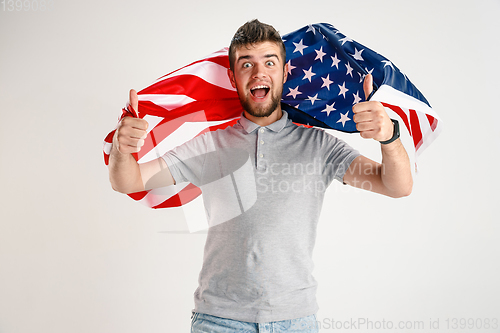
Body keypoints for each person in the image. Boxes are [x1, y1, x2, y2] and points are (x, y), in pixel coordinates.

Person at [108, 20, 412, 333]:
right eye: (246, 64)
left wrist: (390, 137)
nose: (258, 73)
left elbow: (397, 186)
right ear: (232, 76)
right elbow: (128, 181)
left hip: (296, 321)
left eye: (269, 62)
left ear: (284, 71)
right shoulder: (210, 144)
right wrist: (121, 149)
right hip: (218, 321)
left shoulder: (319, 146)